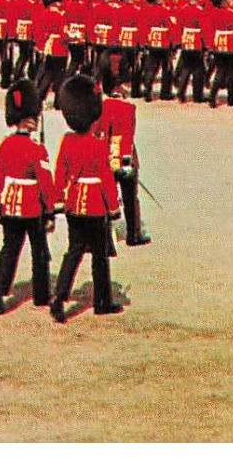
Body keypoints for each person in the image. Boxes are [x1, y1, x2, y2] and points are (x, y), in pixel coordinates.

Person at [49, 74, 121, 322]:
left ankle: (59, 297)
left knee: (74, 252)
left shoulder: (67, 141)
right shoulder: (99, 145)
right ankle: (103, 302)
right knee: (99, 257)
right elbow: (106, 179)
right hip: (94, 206)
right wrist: (113, 207)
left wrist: (58, 200)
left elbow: (60, 173)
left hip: (73, 204)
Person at [0, 81, 56, 315]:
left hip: (9, 205)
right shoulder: (36, 148)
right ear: (28, 119)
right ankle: (41, 295)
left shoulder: (5, 145)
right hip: (31, 206)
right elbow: (45, 183)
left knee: (9, 251)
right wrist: (50, 210)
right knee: (39, 251)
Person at [93, 69, 149, 246]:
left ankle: (105, 240)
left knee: (105, 198)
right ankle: (133, 235)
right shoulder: (128, 108)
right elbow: (128, 135)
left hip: (104, 156)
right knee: (130, 199)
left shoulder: (98, 107)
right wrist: (126, 161)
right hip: (124, 157)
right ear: (118, 87)